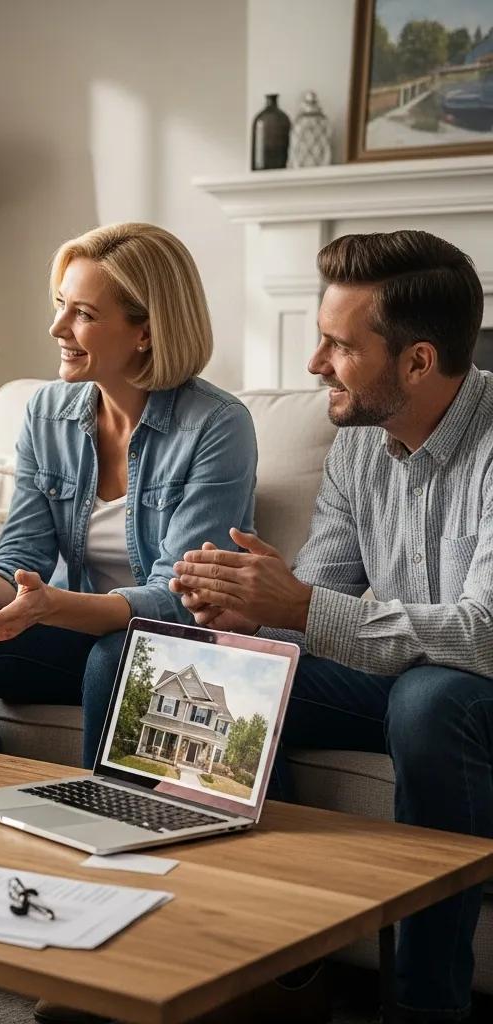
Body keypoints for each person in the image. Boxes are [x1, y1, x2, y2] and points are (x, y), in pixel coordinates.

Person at [0, 222, 257, 1024]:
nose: (56, 331)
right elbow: (20, 558)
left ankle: (96, 929)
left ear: (146, 330)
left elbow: (179, 597)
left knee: (122, 652)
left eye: (81, 314)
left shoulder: (217, 426)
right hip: (77, 626)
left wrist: (48, 607)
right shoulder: (49, 411)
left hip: (170, 646)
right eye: (59, 307)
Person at [171, 229, 492, 1024]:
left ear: (417, 361)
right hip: (396, 678)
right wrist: (250, 608)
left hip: (471, 696)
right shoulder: (358, 446)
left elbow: (484, 635)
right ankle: (257, 970)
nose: (315, 364)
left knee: (429, 700)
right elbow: (322, 592)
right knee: (202, 665)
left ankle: (427, 1007)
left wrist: (302, 608)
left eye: (337, 345)